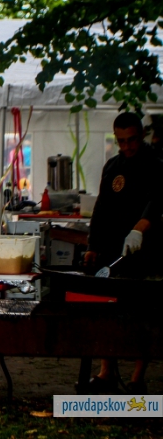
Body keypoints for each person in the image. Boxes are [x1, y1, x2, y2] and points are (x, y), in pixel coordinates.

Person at [83, 112, 163, 394]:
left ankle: (137, 378)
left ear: (141, 135)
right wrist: (93, 246)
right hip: (112, 249)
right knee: (108, 311)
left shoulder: (156, 164)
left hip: (145, 249)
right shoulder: (112, 166)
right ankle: (106, 372)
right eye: (121, 141)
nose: (127, 146)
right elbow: (101, 208)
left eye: (132, 140)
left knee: (143, 315)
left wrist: (140, 228)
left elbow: (158, 200)